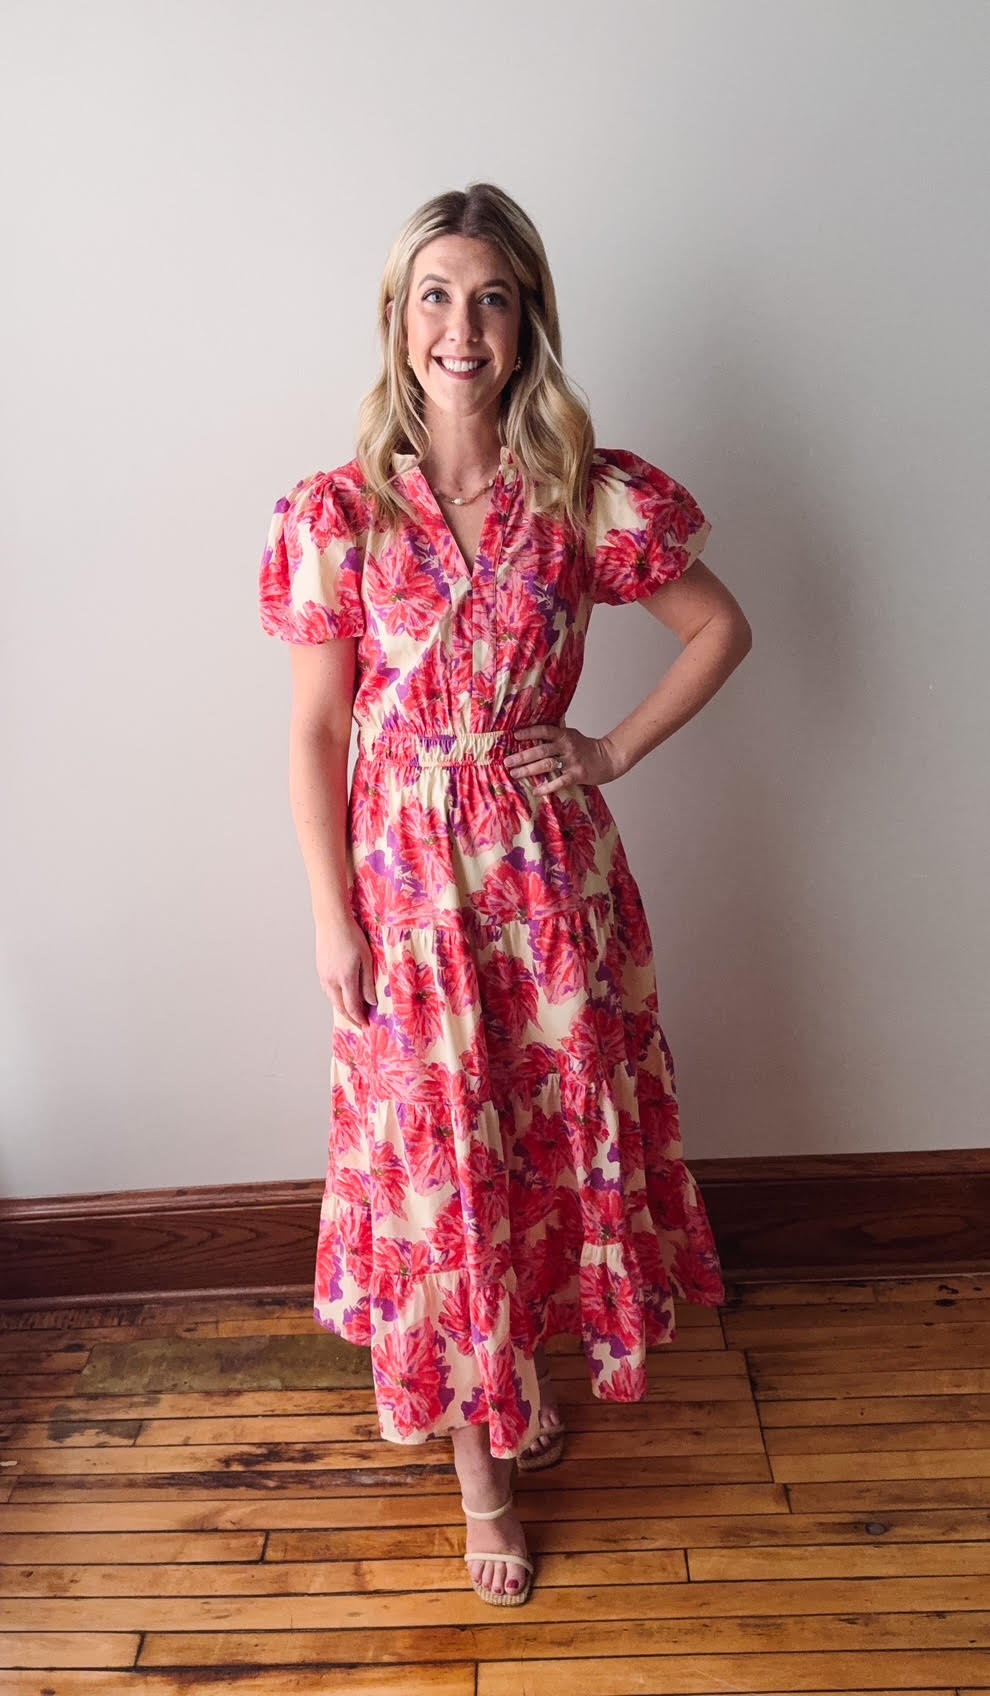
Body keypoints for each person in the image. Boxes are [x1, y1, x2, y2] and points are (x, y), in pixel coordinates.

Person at [258, 181, 752, 1609]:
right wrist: (328, 914)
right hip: (405, 891)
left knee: (539, 1147)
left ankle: (531, 1376)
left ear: (526, 315)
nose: (458, 325)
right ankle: (483, 1472)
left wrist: (605, 751)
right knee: (439, 1175)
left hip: (546, 885)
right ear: (397, 319)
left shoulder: (585, 491)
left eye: (488, 295)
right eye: (432, 294)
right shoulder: (338, 512)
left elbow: (720, 627)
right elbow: (312, 731)